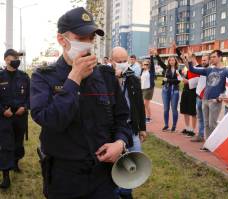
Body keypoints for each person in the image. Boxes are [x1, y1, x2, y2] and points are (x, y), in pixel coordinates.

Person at [30, 7, 133, 199]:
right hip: (64, 178)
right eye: (81, 37)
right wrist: (74, 78)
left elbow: (123, 119)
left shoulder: (106, 75)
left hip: (102, 176)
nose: (88, 43)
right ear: (62, 40)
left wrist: (120, 142)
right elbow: (49, 119)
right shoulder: (43, 77)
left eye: (91, 37)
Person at [111, 46, 147, 199]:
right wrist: (115, 79)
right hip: (112, 130)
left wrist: (142, 128)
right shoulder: (104, 78)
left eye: (124, 61)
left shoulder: (133, 79)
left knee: (134, 163)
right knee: (114, 163)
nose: (122, 64)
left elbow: (139, 104)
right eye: (119, 61)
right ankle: (113, 192)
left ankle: (126, 192)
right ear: (112, 61)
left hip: (131, 128)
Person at [187, 49, 228, 151]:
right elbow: (192, 69)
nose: (212, 59)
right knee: (206, 124)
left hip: (215, 101)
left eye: (214, 57)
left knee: (212, 124)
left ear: (220, 57)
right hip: (205, 100)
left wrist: (222, 96)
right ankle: (208, 144)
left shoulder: (226, 71)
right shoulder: (209, 70)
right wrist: (190, 59)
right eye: (211, 57)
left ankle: (215, 144)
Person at [0, 49, 30, 189]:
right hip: (4, 117)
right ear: (6, 59)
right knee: (6, 146)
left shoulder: (24, 77)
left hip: (20, 116)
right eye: (14, 57)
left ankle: (16, 162)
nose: (17, 60)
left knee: (18, 144)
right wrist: (2, 110)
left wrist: (25, 107)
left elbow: (31, 96)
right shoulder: (0, 76)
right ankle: (6, 177)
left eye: (18, 58)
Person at [153, 49, 181, 132]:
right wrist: (156, 55)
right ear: (168, 61)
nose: (171, 61)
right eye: (170, 60)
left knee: (174, 109)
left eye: (173, 60)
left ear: (175, 61)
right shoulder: (166, 68)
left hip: (175, 91)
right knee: (166, 109)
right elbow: (160, 62)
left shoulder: (178, 70)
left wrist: (168, 80)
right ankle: (166, 125)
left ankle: (174, 126)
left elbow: (178, 81)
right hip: (165, 90)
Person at [191, 54, 209, 142]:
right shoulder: (201, 69)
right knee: (200, 118)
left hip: (206, 98)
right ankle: (201, 135)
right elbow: (191, 67)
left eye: (205, 60)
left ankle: (209, 138)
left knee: (208, 119)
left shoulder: (210, 70)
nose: (203, 62)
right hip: (198, 97)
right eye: (202, 60)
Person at [142, 49, 156, 123]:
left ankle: (148, 118)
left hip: (149, 89)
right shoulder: (143, 71)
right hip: (143, 89)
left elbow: (152, 63)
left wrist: (151, 55)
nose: (145, 65)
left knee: (145, 104)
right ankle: (145, 117)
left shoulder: (151, 70)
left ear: (149, 65)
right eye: (144, 64)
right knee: (144, 104)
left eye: (147, 64)